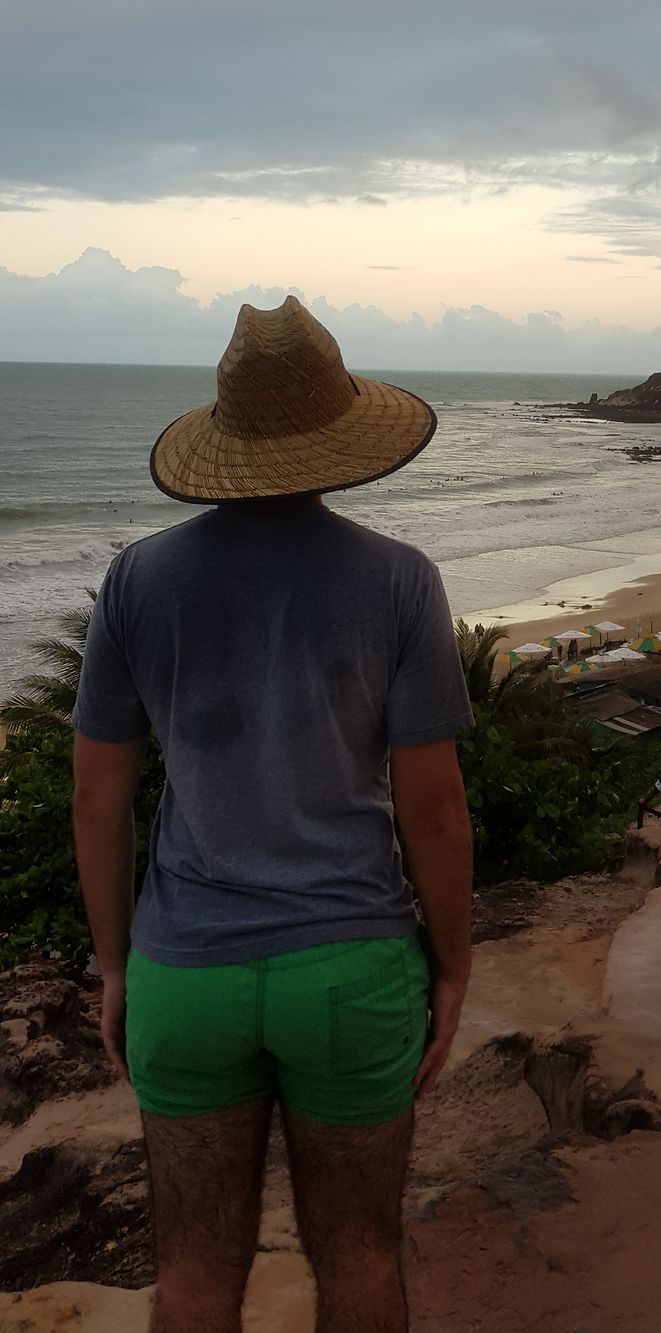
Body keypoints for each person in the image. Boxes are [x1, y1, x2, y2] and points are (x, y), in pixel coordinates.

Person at [71, 296, 474, 1333]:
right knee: (358, 1261)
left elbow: (96, 794)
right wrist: (456, 962)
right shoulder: (399, 581)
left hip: (185, 971)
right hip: (349, 967)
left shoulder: (137, 580)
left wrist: (114, 964)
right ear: (340, 431)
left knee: (196, 1277)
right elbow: (432, 804)